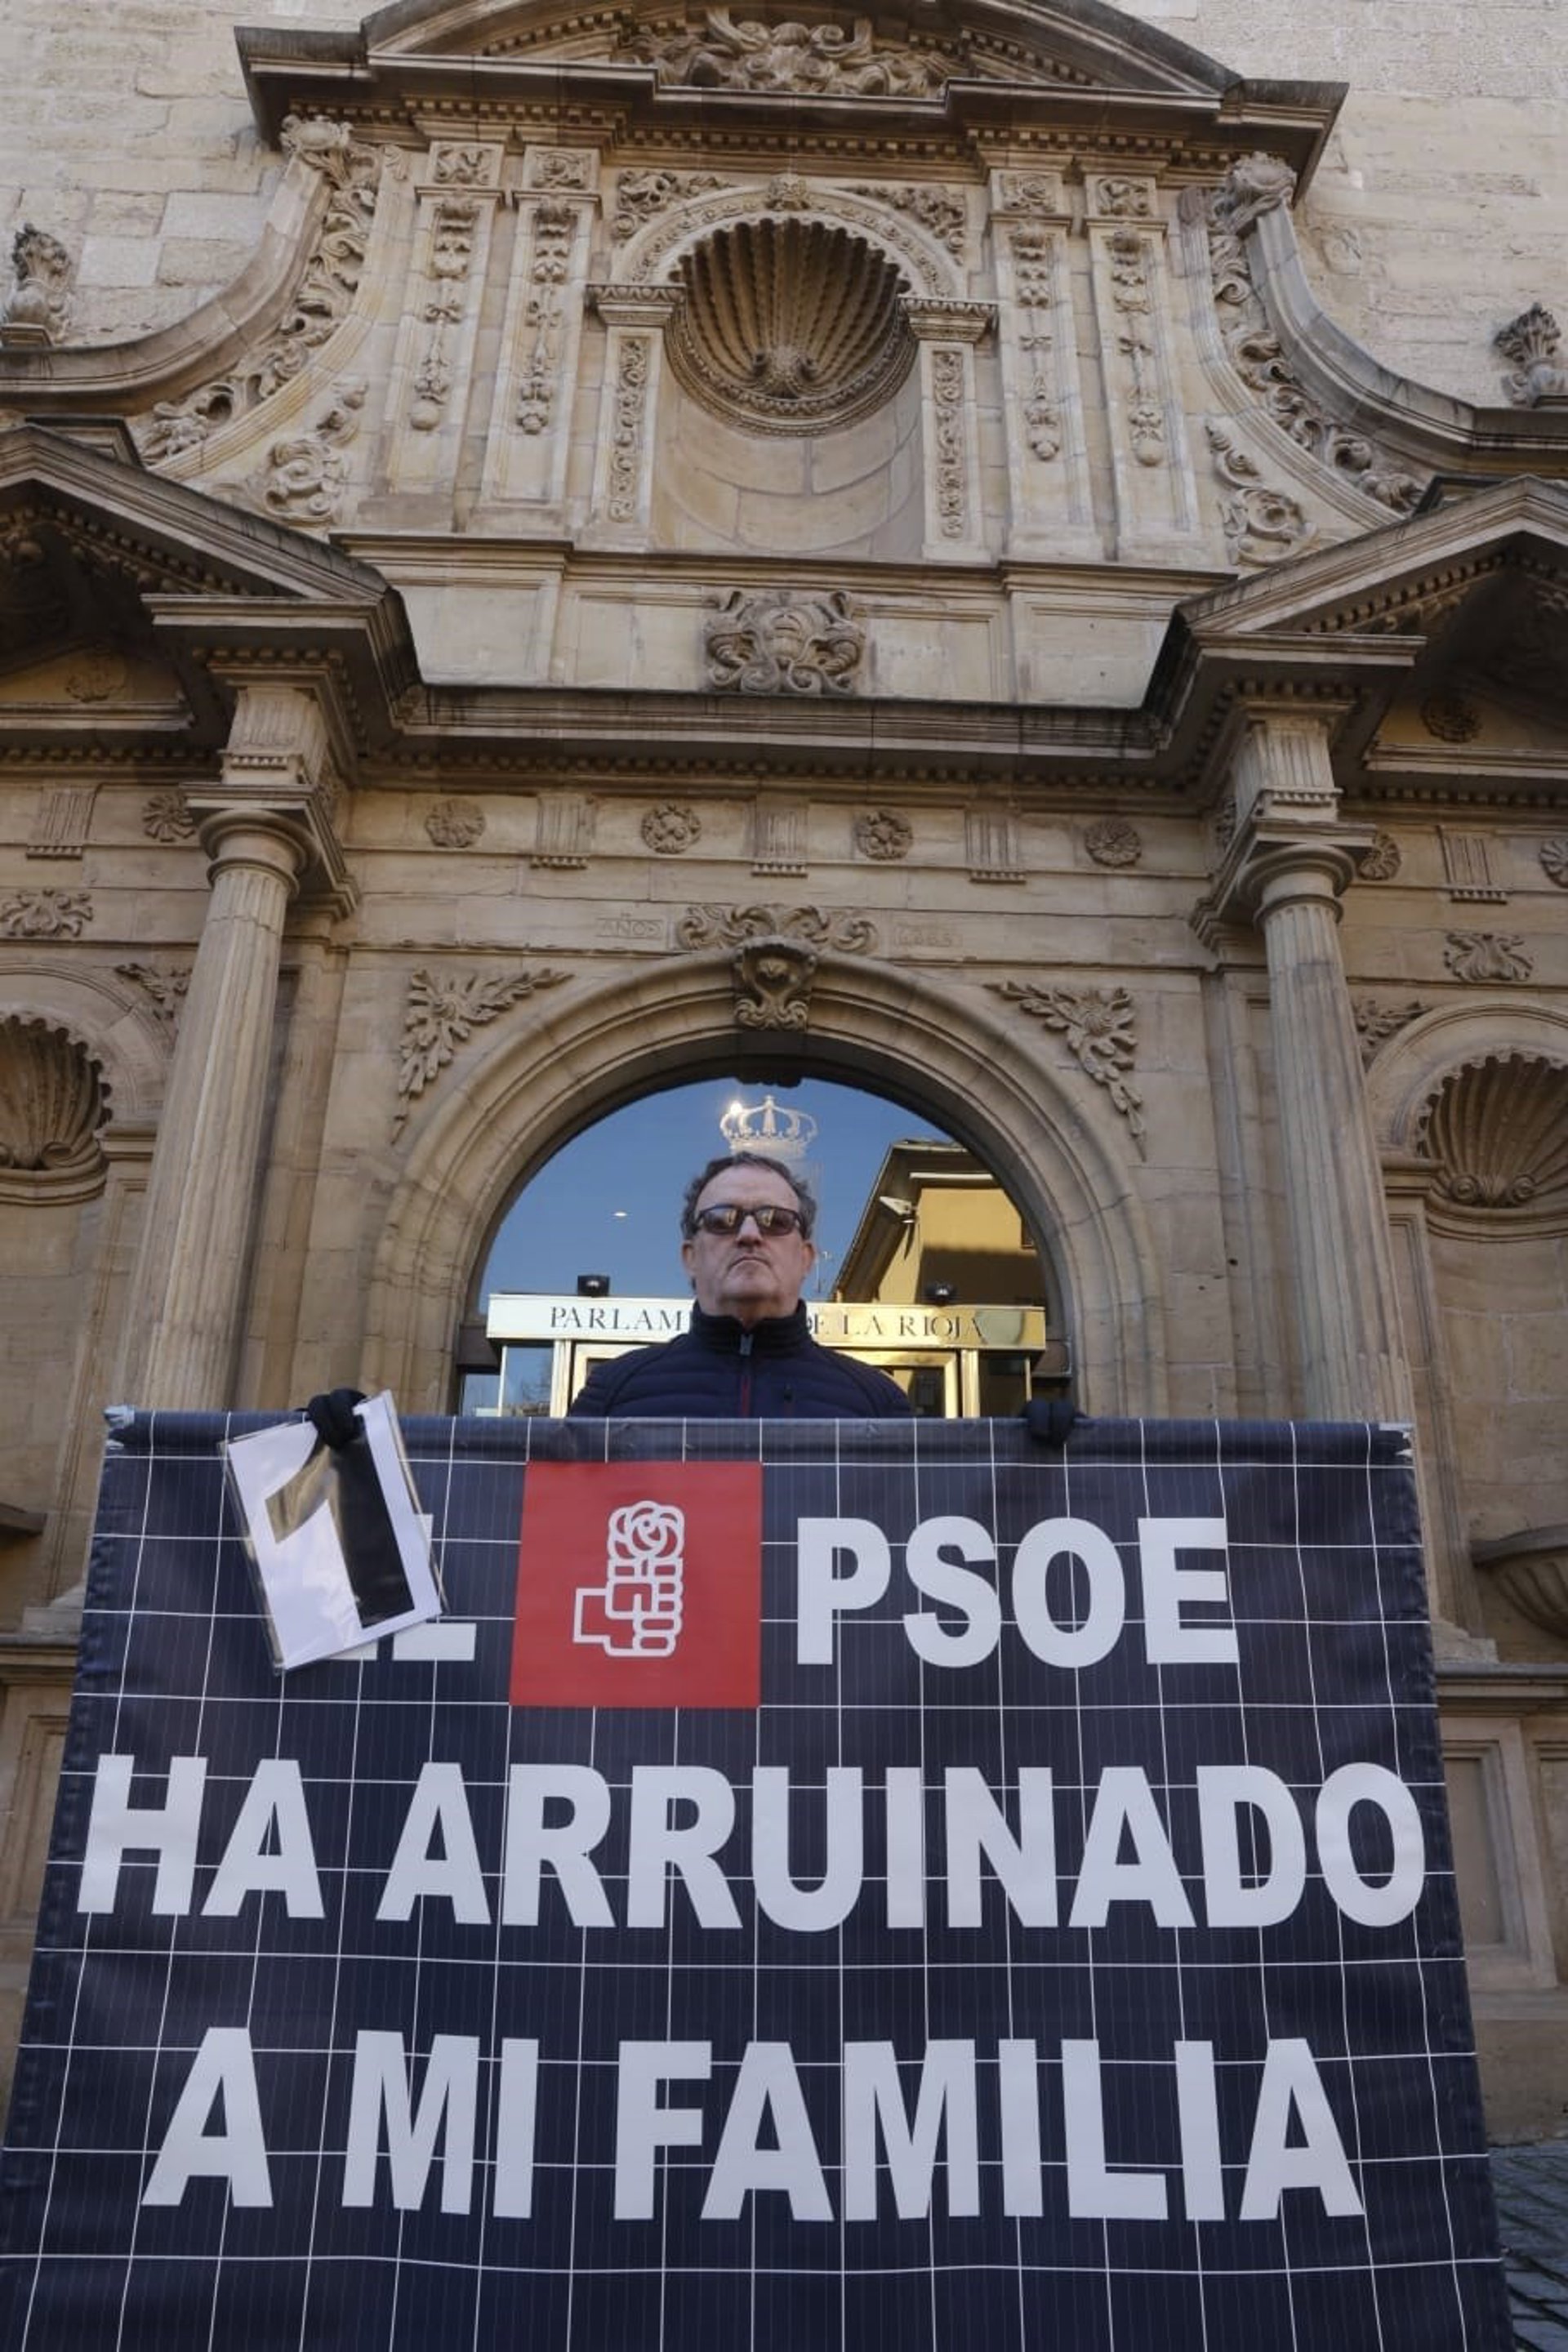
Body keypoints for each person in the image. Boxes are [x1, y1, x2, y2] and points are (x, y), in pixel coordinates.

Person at [568, 1151, 912, 1419]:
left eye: (775, 1220)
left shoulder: (879, 1404)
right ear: (691, 1257)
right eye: (722, 1220)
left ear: (806, 1257)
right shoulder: (611, 1396)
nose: (749, 1234)